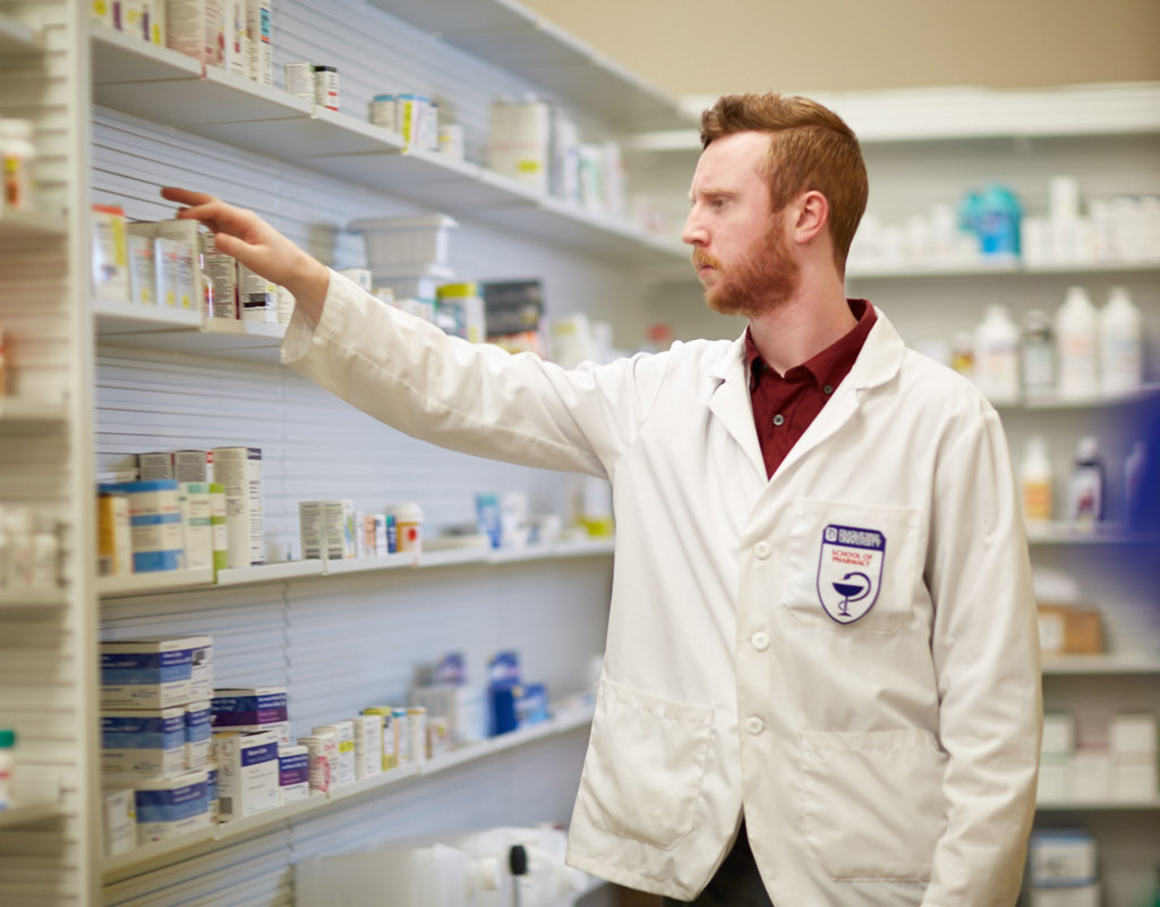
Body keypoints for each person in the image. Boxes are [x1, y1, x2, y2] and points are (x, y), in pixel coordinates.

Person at [162, 91, 1042, 906]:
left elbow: (993, 704)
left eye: (720, 204)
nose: (692, 229)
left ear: (807, 215)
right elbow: (472, 389)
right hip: (677, 858)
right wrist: (315, 285)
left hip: (857, 867)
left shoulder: (942, 420)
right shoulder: (658, 395)